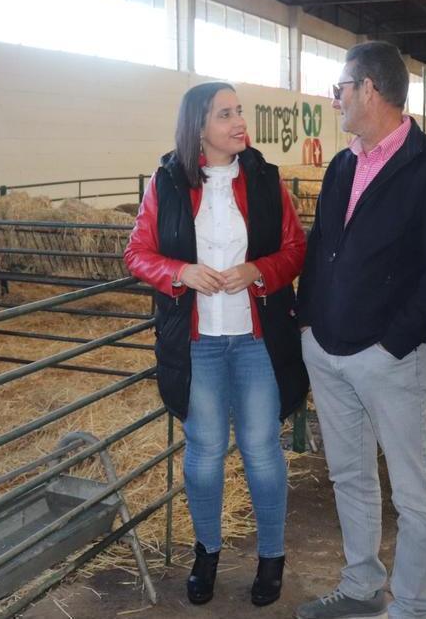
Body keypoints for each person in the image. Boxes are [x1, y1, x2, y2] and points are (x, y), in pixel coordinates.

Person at [294, 41, 426, 619]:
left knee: (413, 492)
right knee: (349, 474)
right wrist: (310, 325)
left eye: (340, 87)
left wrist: (394, 342)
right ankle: (362, 585)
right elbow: (324, 248)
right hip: (330, 349)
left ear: (369, 88)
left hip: (391, 358)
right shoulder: (344, 163)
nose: (334, 98)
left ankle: (414, 606)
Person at [124, 81, 309, 608]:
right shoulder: (167, 183)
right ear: (199, 127)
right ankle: (206, 553)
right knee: (204, 456)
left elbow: (296, 249)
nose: (238, 121)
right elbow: (137, 253)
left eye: (239, 111)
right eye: (225, 114)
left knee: (262, 452)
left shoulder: (267, 181)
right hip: (198, 343)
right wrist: (179, 271)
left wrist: (258, 270)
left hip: (256, 341)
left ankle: (271, 557)